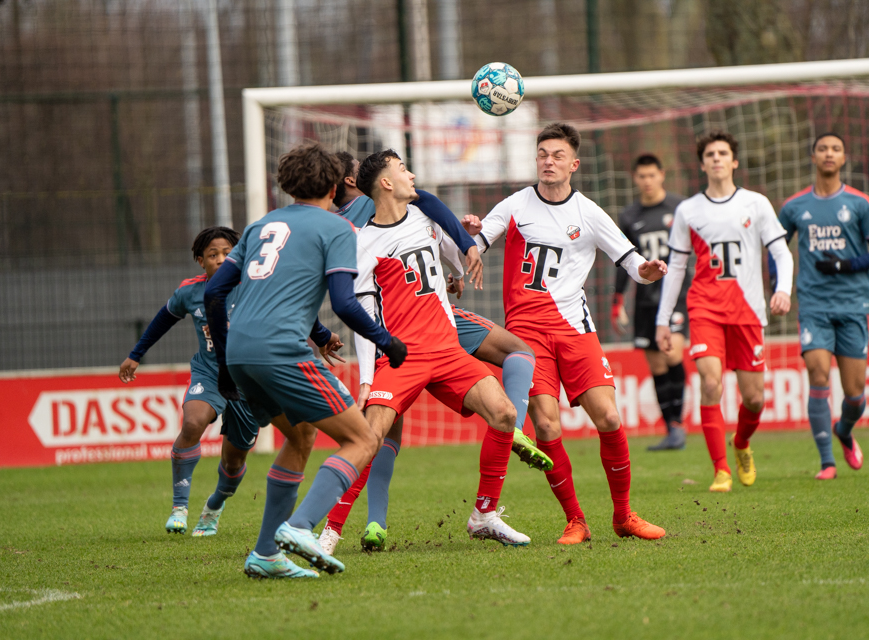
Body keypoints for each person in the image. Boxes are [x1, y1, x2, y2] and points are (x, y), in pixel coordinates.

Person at [319, 153, 551, 553]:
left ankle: (483, 515)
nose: (411, 174)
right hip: (402, 355)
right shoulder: (362, 243)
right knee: (368, 438)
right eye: (403, 169)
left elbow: (456, 259)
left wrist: (464, 255)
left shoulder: (424, 215)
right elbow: (364, 314)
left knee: (505, 413)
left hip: (446, 347)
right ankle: (330, 532)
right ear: (387, 184)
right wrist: (367, 378)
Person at [204, 141, 407, 579]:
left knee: (300, 438)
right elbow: (347, 304)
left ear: (286, 184)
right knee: (362, 440)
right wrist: (386, 341)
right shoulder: (336, 229)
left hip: (240, 352)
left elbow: (214, 292)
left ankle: (265, 555)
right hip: (281, 352)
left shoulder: (260, 226)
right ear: (335, 186)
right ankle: (298, 527)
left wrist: (224, 363)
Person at [463, 123, 669, 544]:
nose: (548, 161)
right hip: (525, 335)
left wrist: (646, 272)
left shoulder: (589, 212)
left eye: (557, 155)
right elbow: (477, 242)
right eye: (542, 154)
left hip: (576, 329)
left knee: (609, 417)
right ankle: (576, 520)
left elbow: (631, 261)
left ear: (573, 164)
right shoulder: (515, 205)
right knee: (547, 426)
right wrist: (464, 238)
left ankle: (624, 516)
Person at [119, 227, 316, 538]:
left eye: (227, 253)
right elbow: (162, 319)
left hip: (249, 380)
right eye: (213, 255)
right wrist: (136, 354)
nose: (221, 259)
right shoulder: (190, 291)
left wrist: (319, 337)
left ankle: (214, 506)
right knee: (194, 422)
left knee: (234, 461)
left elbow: (292, 309)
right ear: (201, 261)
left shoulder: (255, 285)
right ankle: (179, 507)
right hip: (210, 373)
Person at [655, 130, 794, 493]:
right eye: (710, 155)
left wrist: (783, 290)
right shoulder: (688, 210)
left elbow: (781, 252)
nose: (716, 159)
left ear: (734, 161)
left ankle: (742, 444)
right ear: (702, 164)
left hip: (747, 311)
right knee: (711, 383)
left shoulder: (756, 204)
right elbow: (677, 269)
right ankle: (721, 471)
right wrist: (663, 320)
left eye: (723, 153)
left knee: (754, 398)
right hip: (705, 310)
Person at [777, 133, 869, 479]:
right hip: (813, 305)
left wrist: (844, 265)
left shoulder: (859, 203)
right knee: (819, 375)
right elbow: (777, 249)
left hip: (853, 305)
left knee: (855, 395)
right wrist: (777, 285)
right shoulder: (794, 206)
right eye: (823, 148)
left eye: (836, 149)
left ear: (843, 158)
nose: (829, 154)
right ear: (813, 156)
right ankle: (827, 462)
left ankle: (844, 430)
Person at [613, 154, 689, 451]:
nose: (647, 181)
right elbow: (623, 258)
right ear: (635, 178)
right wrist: (618, 299)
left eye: (651, 175)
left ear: (662, 175)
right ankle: (672, 427)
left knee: (672, 355)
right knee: (656, 364)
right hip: (645, 299)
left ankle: (678, 425)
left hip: (677, 295)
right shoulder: (630, 216)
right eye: (641, 176)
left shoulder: (679, 207)